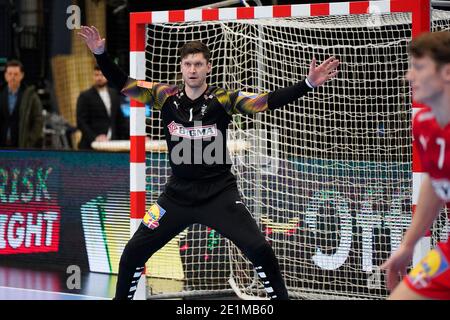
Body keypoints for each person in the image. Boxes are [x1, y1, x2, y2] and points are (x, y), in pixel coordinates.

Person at [78, 25, 339, 300]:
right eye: (188, 64)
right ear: (181, 68)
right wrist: (101, 54)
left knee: (259, 249)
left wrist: (307, 83)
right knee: (132, 253)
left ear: (208, 68)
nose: (193, 69)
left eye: (198, 64)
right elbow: (124, 83)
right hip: (176, 197)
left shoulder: (224, 98)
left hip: (219, 195)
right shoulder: (164, 95)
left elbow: (266, 101)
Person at [381, 31, 450, 300]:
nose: (409, 76)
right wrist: (407, 246)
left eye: (418, 67)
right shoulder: (423, 124)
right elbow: (435, 182)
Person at [76, 65, 128, 149]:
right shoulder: (85, 96)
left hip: (112, 143)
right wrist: (95, 137)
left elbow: (120, 120)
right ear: (93, 76)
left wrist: (137, 137)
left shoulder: (114, 94)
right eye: (96, 75)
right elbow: (81, 122)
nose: (99, 78)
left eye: (102, 75)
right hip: (91, 145)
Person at [0, 60, 43, 148]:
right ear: (5, 76)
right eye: (10, 74)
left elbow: (38, 120)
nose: (12, 77)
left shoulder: (31, 96)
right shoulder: (1, 93)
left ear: (22, 75)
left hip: (21, 145)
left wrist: (29, 141)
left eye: (16, 74)